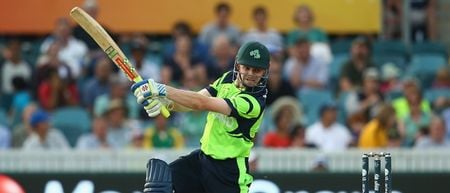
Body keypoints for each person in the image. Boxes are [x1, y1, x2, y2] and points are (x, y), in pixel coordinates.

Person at [131, 41, 270, 193]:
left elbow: (201, 103)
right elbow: (193, 101)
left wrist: (161, 89)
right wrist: (166, 103)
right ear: (238, 66)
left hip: (229, 173)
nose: (250, 74)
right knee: (159, 184)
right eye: (246, 68)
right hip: (203, 160)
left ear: (264, 72)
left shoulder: (253, 102)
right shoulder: (228, 78)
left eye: (256, 70)